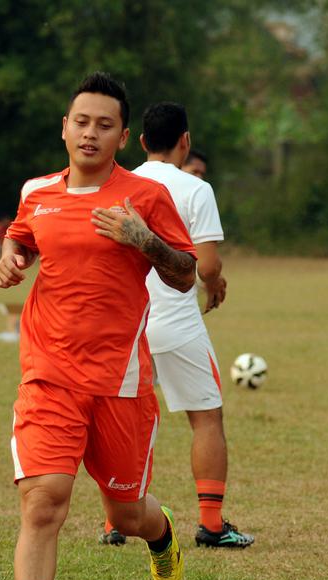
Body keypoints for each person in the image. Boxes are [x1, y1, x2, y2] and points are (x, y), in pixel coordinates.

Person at [0, 72, 197, 580]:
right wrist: (12, 256)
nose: (90, 133)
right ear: (64, 127)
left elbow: (186, 272)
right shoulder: (38, 192)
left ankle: (161, 537)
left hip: (120, 381)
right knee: (44, 503)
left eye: (104, 124)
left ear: (123, 136)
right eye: (81, 121)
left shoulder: (145, 197)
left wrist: (146, 242)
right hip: (48, 374)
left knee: (127, 513)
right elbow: (25, 234)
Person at [97, 101, 252, 548]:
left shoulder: (117, 184)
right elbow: (205, 265)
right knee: (206, 420)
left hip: (127, 325)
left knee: (123, 422)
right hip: (178, 325)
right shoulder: (195, 189)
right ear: (186, 140)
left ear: (141, 141)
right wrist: (216, 284)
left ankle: (115, 521)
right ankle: (211, 523)